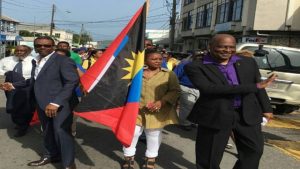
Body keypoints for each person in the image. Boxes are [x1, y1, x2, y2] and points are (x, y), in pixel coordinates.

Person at [184, 34, 276, 169]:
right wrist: (254, 87)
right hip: (216, 114)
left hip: (246, 113)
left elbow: (259, 85)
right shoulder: (196, 66)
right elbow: (209, 89)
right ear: (210, 47)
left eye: (231, 47)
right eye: (222, 47)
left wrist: (266, 108)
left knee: (254, 150)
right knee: (209, 157)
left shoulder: (247, 62)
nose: (227, 50)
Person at [3, 36, 79, 169]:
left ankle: (68, 164)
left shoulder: (63, 60)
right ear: (35, 46)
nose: (42, 48)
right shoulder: (36, 61)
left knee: (61, 132)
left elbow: (71, 82)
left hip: (59, 105)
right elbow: (34, 81)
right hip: (41, 102)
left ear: (53, 47)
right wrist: (14, 85)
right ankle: (50, 155)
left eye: (47, 45)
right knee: (47, 131)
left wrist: (56, 103)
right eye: (39, 45)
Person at [122, 49, 180, 169]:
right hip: (135, 110)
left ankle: (150, 160)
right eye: (154, 59)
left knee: (153, 135)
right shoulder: (136, 73)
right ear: (145, 60)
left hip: (157, 112)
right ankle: (129, 159)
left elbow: (175, 90)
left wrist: (161, 102)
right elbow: (123, 88)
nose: (158, 61)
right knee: (132, 134)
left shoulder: (169, 74)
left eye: (160, 59)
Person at [0, 45, 35, 137]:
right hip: (9, 86)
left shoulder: (34, 61)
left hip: (26, 86)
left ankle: (23, 126)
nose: (19, 52)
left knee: (24, 107)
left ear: (28, 51)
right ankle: (18, 122)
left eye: (22, 50)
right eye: (17, 50)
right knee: (13, 104)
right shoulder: (6, 60)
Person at [173, 50, 203, 131]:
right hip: (186, 87)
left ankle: (192, 121)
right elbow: (175, 75)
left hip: (200, 89)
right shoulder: (185, 64)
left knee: (196, 107)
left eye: (202, 56)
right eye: (198, 55)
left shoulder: (207, 65)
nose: (200, 57)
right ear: (194, 56)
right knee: (187, 106)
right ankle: (184, 123)